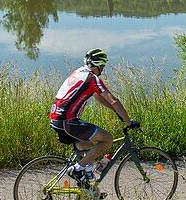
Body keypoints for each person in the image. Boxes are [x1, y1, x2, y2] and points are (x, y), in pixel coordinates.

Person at [49, 48, 138, 190]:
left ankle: (88, 187)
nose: (102, 70)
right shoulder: (92, 78)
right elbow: (113, 100)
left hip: (57, 119)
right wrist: (127, 121)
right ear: (98, 66)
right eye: (102, 67)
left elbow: (98, 97)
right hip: (68, 122)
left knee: (88, 148)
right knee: (107, 139)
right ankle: (77, 169)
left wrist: (115, 111)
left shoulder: (79, 72)